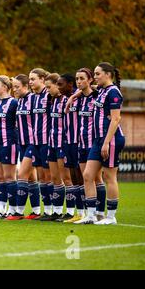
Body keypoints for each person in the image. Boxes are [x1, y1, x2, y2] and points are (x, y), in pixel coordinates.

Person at [74, 62, 125, 225]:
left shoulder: (113, 92)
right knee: (88, 175)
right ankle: (90, 215)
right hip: (98, 140)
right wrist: (73, 97)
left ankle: (110, 217)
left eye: (97, 74)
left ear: (108, 74)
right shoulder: (101, 90)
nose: (94, 77)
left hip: (110, 140)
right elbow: (86, 88)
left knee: (109, 176)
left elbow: (116, 119)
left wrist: (106, 142)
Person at [73, 68, 106, 221]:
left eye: (81, 78)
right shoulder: (79, 98)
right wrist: (75, 95)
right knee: (86, 178)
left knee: (96, 178)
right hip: (81, 143)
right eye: (77, 79)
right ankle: (90, 213)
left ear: (90, 80)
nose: (78, 81)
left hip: (94, 143)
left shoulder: (98, 96)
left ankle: (99, 212)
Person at [7, 74, 37, 220]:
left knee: (22, 175)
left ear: (26, 86)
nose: (15, 90)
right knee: (31, 178)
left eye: (18, 87)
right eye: (14, 87)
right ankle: (36, 212)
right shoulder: (18, 101)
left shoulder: (33, 98)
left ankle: (18, 212)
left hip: (33, 142)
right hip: (22, 143)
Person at [40, 73, 70, 221]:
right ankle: (57, 211)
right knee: (54, 178)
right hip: (51, 143)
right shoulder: (51, 100)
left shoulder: (67, 100)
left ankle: (72, 211)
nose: (47, 90)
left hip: (62, 143)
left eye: (49, 87)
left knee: (67, 178)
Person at [0, 76, 19, 219]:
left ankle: (13, 210)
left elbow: (19, 123)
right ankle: (1, 209)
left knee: (9, 177)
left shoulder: (13, 103)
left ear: (5, 87)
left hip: (8, 144)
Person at [28, 68, 52, 219]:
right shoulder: (33, 97)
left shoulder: (49, 96)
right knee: (41, 178)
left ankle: (53, 210)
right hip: (35, 142)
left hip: (46, 142)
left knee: (49, 177)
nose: (30, 82)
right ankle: (47, 210)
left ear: (43, 79)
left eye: (33, 79)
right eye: (29, 79)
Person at [55, 73, 80, 222]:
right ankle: (77, 212)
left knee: (84, 177)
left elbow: (95, 88)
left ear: (71, 84)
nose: (59, 88)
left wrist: (73, 96)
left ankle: (93, 212)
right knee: (74, 178)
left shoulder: (81, 97)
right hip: (67, 143)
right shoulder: (62, 99)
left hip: (79, 143)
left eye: (61, 84)